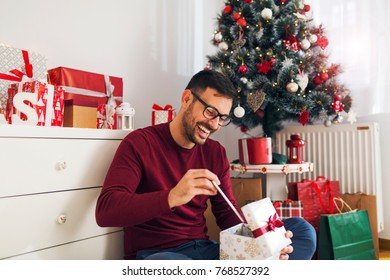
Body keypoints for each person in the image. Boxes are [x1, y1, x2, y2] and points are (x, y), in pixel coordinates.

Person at [95, 69, 316, 260]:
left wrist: (260, 239)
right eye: (210, 112)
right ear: (186, 99)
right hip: (157, 255)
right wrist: (172, 196)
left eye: (222, 118)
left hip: (204, 252)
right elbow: (106, 212)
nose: (214, 124)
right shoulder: (139, 143)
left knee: (302, 231)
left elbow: (227, 215)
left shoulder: (214, 153)